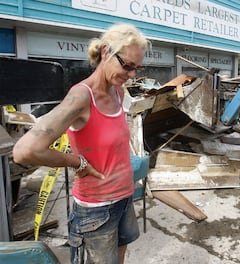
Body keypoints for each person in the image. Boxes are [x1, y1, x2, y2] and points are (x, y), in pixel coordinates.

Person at [13, 23, 148, 263]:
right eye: (127, 66)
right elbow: (25, 150)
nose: (132, 75)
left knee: (120, 255)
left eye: (137, 68)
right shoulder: (81, 96)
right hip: (96, 209)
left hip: (124, 198)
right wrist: (77, 162)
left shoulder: (117, 91)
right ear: (106, 52)